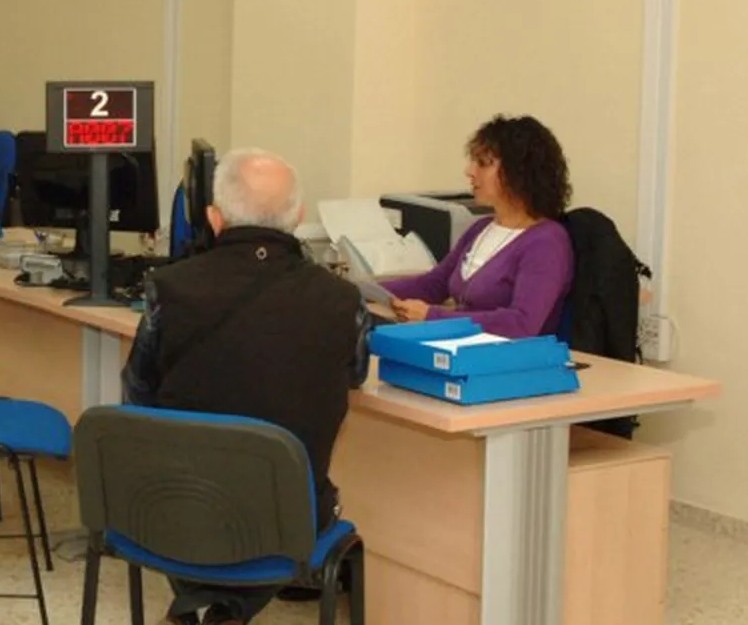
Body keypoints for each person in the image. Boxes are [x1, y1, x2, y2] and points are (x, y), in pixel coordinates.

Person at [122, 148, 363, 625]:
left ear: (214, 218)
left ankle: (202, 602)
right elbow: (353, 374)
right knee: (291, 495)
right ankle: (230, 610)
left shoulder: (167, 287)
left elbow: (137, 393)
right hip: (287, 515)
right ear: (298, 216)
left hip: (173, 505)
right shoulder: (343, 299)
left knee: (178, 467)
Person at [383, 114, 575, 338]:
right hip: (463, 346)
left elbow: (521, 324)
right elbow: (434, 285)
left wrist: (431, 316)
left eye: (483, 164)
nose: (470, 171)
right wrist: (359, 290)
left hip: (509, 355)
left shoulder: (546, 242)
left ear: (519, 173)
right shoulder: (481, 228)